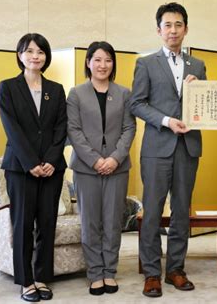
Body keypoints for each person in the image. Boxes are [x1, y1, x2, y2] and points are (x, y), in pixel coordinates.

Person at [130, 2, 206, 298]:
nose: (173, 30)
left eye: (178, 24)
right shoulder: (146, 63)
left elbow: (205, 105)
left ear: (185, 29)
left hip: (188, 147)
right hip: (157, 147)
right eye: (167, 25)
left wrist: (198, 88)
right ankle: (151, 273)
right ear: (159, 30)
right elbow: (137, 103)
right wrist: (166, 121)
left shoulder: (197, 66)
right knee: (151, 213)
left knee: (181, 213)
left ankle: (175, 269)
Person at [0, 33, 67, 302]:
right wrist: (30, 164)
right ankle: (26, 281)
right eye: (29, 51)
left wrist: (50, 161)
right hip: (20, 168)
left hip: (52, 168)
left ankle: (41, 277)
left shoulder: (56, 89)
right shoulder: (7, 87)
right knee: (23, 224)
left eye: (40, 52)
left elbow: (61, 128)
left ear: (47, 56)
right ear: (19, 55)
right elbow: (12, 129)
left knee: (47, 223)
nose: (35, 56)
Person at [66, 41, 136, 296]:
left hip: (117, 167)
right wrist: (95, 160)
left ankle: (110, 272)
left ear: (113, 63)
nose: (102, 65)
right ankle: (95, 273)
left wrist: (115, 158)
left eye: (107, 60)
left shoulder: (124, 93)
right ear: (88, 62)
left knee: (112, 222)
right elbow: (73, 130)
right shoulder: (76, 93)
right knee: (90, 222)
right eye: (97, 59)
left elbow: (129, 128)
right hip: (86, 168)